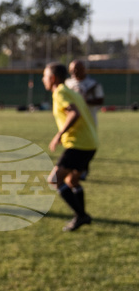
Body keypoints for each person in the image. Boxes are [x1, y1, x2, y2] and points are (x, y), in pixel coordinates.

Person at [42, 63, 98, 232]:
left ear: (53, 78)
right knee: (72, 181)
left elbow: (74, 113)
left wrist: (59, 134)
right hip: (90, 143)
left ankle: (81, 215)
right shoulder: (72, 92)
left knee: (54, 179)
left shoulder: (60, 92)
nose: (43, 79)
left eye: (44, 76)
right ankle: (81, 216)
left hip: (78, 144)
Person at [66, 59, 104, 128]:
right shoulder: (67, 83)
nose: (73, 72)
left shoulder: (93, 84)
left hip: (89, 119)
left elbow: (100, 100)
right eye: (71, 70)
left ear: (83, 69)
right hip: (72, 121)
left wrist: (83, 100)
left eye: (76, 69)